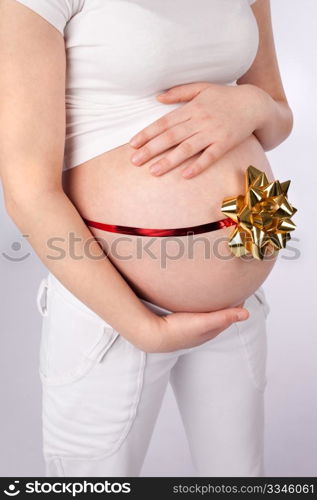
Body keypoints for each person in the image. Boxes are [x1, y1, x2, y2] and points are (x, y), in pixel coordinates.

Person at [0, 0, 293, 477]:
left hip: (241, 304)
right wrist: (141, 327)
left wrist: (253, 105)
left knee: (239, 480)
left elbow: (278, 116)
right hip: (113, 312)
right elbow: (28, 192)